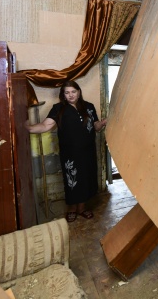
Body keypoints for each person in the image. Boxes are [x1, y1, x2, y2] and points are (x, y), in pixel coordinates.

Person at [26, 80, 107, 222]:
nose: (70, 95)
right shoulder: (59, 109)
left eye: (73, 92)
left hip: (88, 152)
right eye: (67, 92)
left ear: (79, 92)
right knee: (72, 181)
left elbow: (96, 126)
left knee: (86, 179)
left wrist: (102, 123)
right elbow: (46, 126)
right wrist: (29, 128)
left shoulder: (89, 107)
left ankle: (82, 208)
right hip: (70, 154)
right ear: (63, 95)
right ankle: (72, 209)